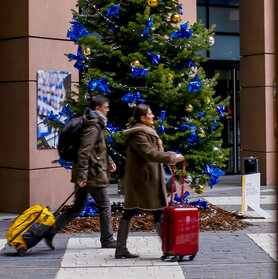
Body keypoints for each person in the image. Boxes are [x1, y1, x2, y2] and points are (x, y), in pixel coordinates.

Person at [44, 95, 117, 250]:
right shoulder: (92, 126)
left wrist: (109, 161)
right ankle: (107, 239)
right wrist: (82, 176)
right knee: (104, 205)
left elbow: (99, 148)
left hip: (86, 172)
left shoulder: (93, 124)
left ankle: (50, 231)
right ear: (97, 108)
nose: (108, 110)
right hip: (91, 173)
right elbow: (84, 151)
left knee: (78, 207)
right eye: (106, 107)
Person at [115, 103, 184, 259]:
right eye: (150, 113)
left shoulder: (144, 131)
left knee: (132, 211)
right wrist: (173, 157)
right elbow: (150, 154)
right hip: (144, 182)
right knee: (156, 211)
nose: (153, 116)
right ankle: (168, 249)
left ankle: (121, 248)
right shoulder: (138, 134)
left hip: (145, 180)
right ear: (142, 117)